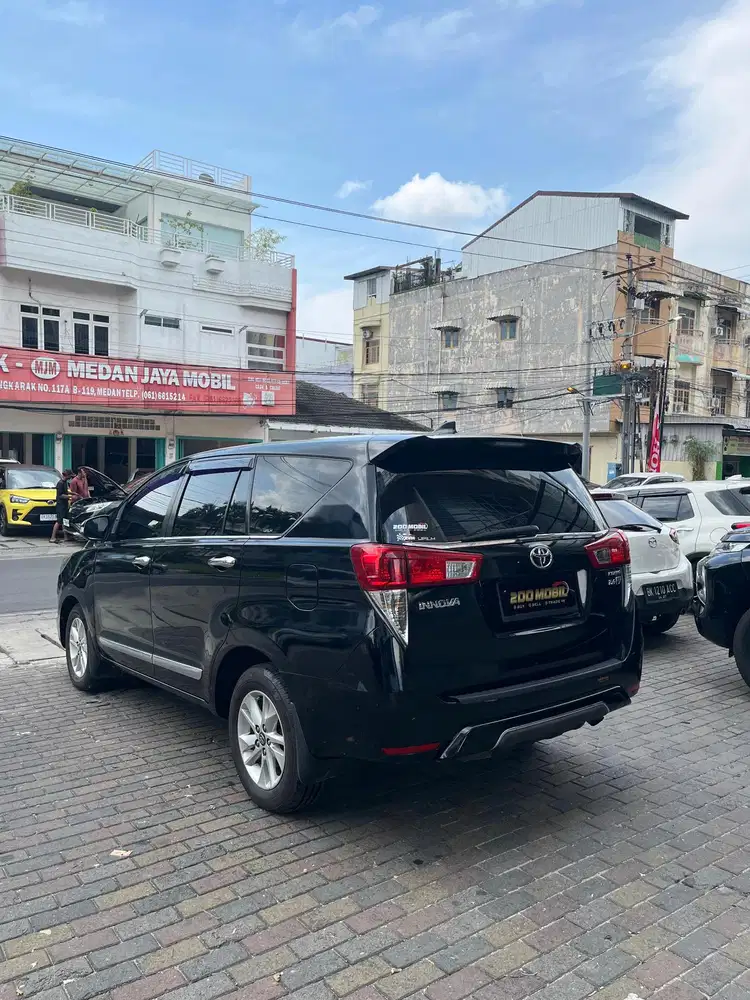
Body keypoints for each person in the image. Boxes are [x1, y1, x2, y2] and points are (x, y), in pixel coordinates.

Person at [50, 469, 73, 543]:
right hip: (61, 505)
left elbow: (66, 493)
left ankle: (66, 536)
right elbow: (61, 495)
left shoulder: (65, 482)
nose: (70, 478)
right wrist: (70, 497)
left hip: (65, 504)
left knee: (64, 521)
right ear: (66, 475)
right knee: (59, 521)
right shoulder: (60, 483)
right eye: (69, 476)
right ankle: (53, 537)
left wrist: (73, 494)